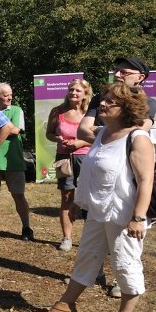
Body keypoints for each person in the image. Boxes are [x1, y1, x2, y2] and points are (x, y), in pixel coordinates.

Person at [35, 82, 154, 312]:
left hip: (123, 216)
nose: (103, 103)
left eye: (111, 101)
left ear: (127, 108)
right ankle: (67, 304)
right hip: (98, 211)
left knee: (124, 265)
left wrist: (138, 218)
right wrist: (81, 200)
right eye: (104, 99)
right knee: (87, 258)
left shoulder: (137, 138)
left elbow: (146, 181)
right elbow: (92, 171)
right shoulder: (101, 134)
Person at [78, 55, 156, 297]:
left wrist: (138, 217)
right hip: (101, 200)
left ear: (140, 77)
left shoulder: (146, 106)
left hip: (124, 202)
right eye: (117, 70)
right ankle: (67, 302)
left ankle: (125, 303)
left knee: (125, 255)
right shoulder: (104, 127)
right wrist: (107, 139)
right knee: (89, 252)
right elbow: (83, 129)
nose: (118, 73)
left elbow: (139, 133)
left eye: (124, 71)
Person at [45, 78, 92, 251]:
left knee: (90, 198)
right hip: (63, 158)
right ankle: (67, 238)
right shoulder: (57, 111)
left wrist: (80, 143)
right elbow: (49, 134)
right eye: (71, 89)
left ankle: (92, 238)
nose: (73, 93)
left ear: (85, 93)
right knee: (66, 198)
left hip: (87, 158)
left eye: (78, 90)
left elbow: (100, 137)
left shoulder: (92, 113)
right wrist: (56, 138)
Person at [0, 83, 34, 240]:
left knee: (19, 195)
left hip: (14, 161)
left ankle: (26, 228)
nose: (10, 97)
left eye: (10, 94)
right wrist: (5, 129)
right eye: (5, 95)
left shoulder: (17, 110)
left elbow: (16, 130)